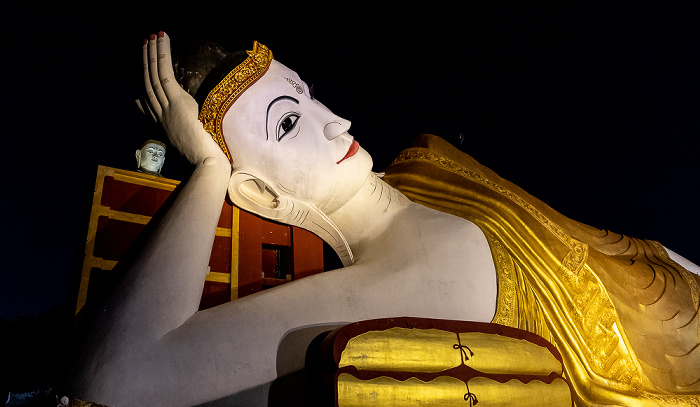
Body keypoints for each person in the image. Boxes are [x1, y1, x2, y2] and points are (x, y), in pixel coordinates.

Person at [64, 32, 700, 406]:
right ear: (256, 188)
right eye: (288, 124)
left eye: (310, 98)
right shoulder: (391, 286)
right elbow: (119, 378)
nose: (334, 122)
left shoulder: (426, 165)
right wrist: (206, 169)